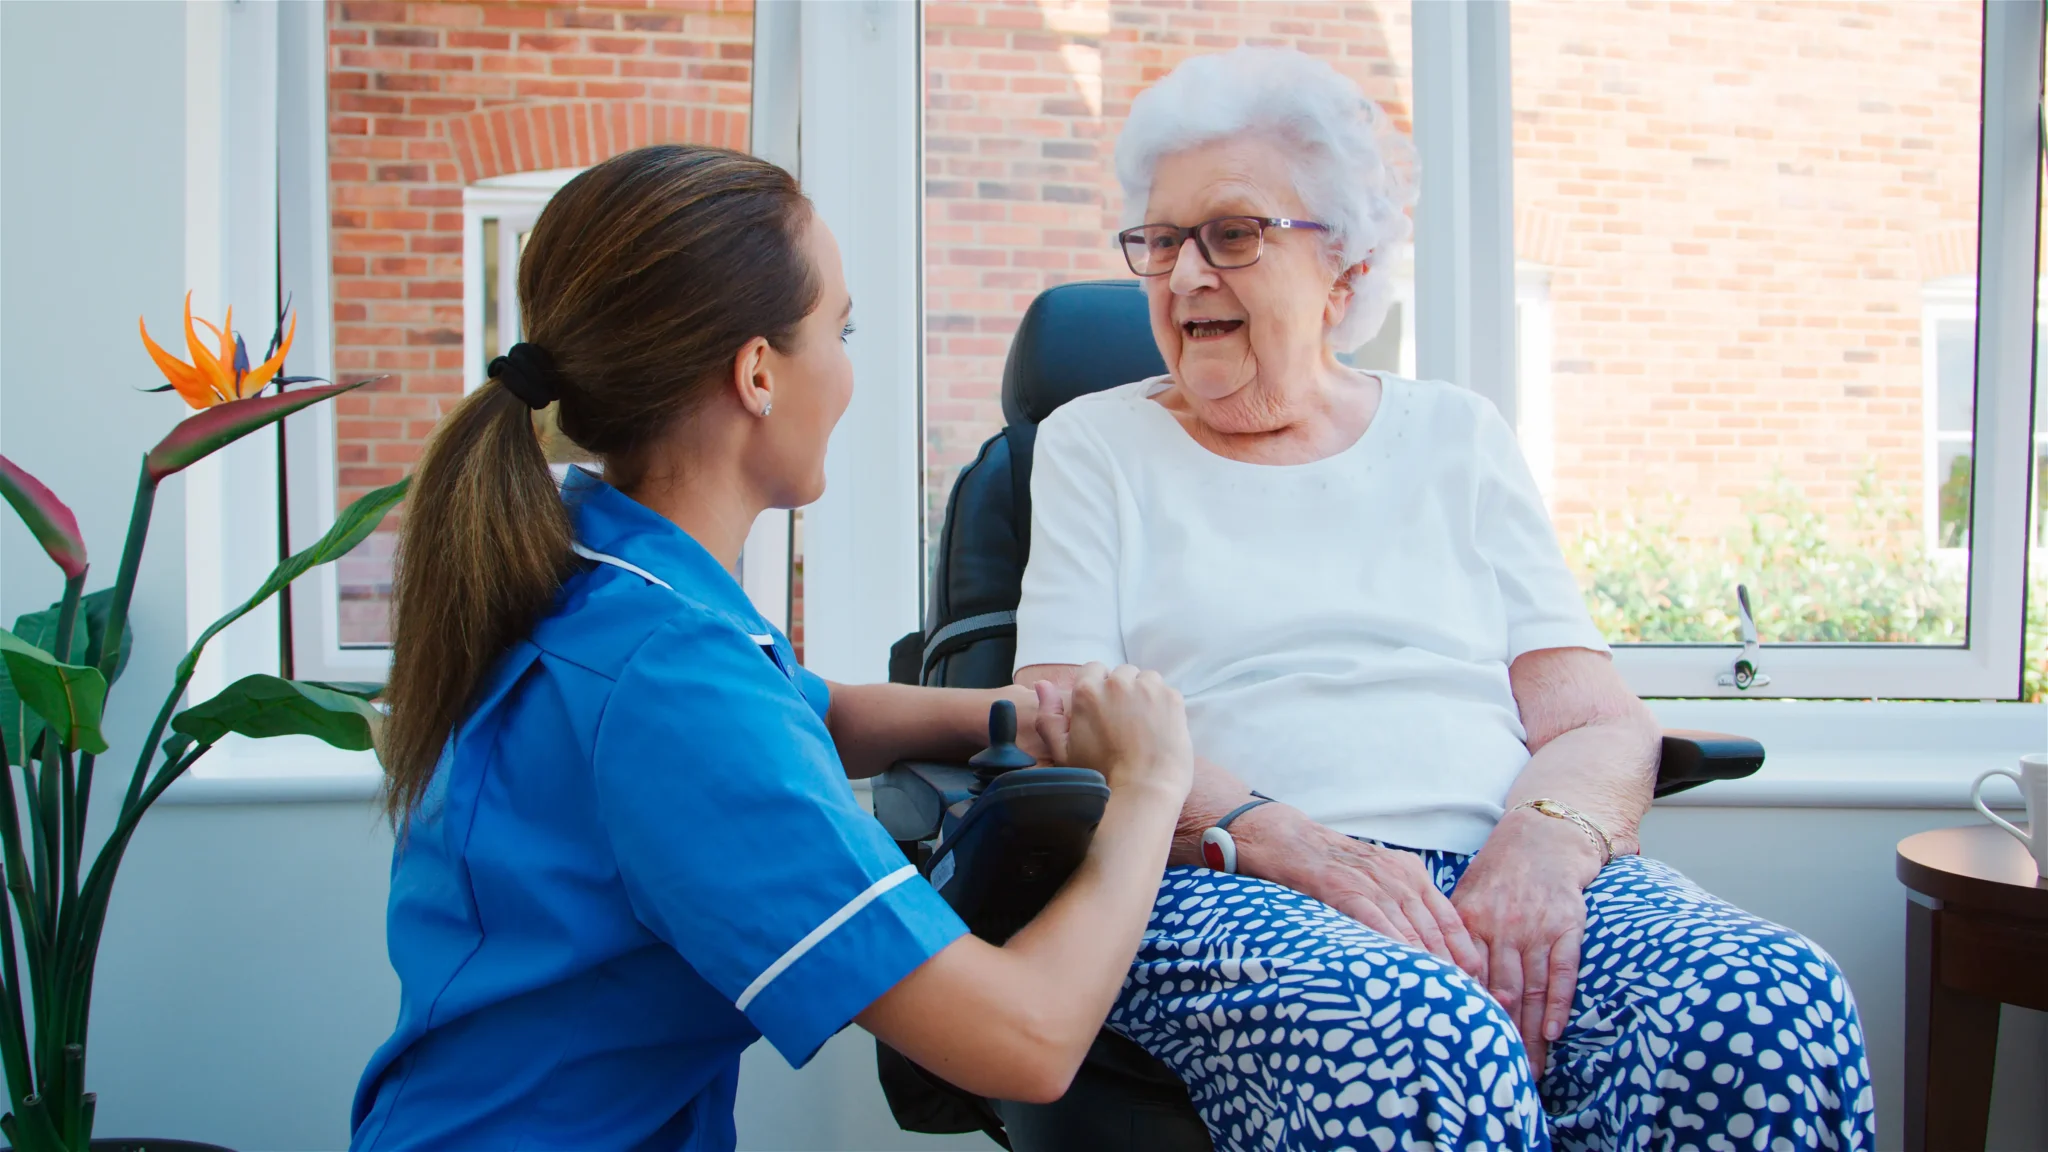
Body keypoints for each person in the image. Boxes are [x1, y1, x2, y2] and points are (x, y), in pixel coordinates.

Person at [1013, 47, 1875, 1151]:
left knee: (1765, 1004)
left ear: (1347, 269)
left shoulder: (1454, 433)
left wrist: (1541, 853)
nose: (1183, 278)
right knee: (1413, 1034)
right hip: (1230, 874)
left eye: (1230, 235)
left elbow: (1596, 724)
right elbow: (1064, 712)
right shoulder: (1097, 443)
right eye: (1160, 241)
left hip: (1498, 856)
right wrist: (1293, 845)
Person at [349, 144, 1195, 1150]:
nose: (843, 370)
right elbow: (1026, 1039)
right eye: (838, 330)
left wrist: (1034, 711)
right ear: (756, 373)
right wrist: (1147, 786)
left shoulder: (606, 572)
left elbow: (813, 710)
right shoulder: (673, 686)